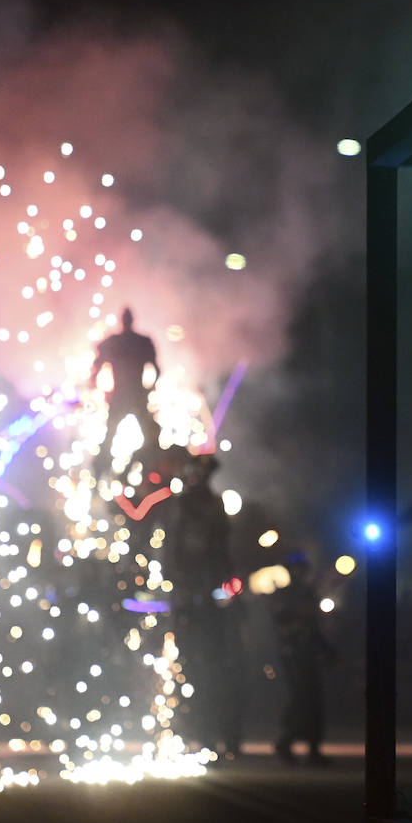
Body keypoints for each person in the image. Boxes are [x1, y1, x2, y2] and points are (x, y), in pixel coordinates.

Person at [168, 454, 244, 759]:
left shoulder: (212, 507)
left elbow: (223, 550)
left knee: (217, 668)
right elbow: (177, 552)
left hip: (208, 601)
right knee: (193, 668)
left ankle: (219, 735)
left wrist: (224, 587)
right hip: (191, 599)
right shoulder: (183, 507)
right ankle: (197, 733)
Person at [272, 551, 333, 766]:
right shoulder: (284, 596)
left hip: (307, 655)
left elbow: (313, 628)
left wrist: (327, 652)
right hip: (293, 656)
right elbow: (280, 626)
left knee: (314, 702)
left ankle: (313, 748)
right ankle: (286, 742)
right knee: (300, 700)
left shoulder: (308, 594)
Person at [90, 307, 161, 467]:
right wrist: (149, 388)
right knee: (147, 435)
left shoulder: (117, 342)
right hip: (132, 396)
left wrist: (96, 385)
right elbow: (157, 369)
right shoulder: (140, 342)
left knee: (114, 436)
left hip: (125, 396)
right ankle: (152, 466)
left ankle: (103, 469)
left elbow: (96, 367)